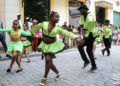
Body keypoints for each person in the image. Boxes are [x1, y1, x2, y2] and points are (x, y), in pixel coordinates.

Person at [31, 11, 80, 86]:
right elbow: (35, 28)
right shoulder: (44, 24)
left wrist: (76, 37)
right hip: (44, 45)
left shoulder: (58, 28)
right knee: (50, 62)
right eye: (56, 17)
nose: (58, 19)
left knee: (47, 60)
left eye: (59, 17)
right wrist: (33, 34)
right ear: (51, 18)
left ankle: (44, 78)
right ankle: (58, 73)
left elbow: (66, 33)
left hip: (52, 45)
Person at [77, 5, 97, 71]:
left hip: (91, 34)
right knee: (89, 51)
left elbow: (90, 22)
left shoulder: (90, 15)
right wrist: (80, 27)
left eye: (81, 10)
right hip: (87, 35)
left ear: (85, 9)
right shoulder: (82, 16)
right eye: (79, 10)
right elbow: (81, 24)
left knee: (79, 45)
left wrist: (83, 28)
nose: (80, 11)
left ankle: (86, 61)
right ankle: (94, 66)